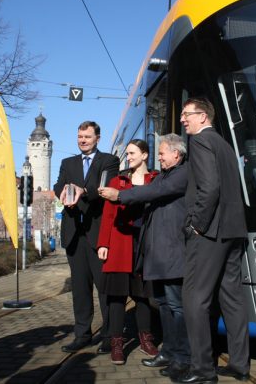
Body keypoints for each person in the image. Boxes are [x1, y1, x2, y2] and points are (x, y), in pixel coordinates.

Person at [99, 133, 190, 379]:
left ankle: (175, 352)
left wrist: (119, 196)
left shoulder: (172, 176)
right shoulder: (158, 176)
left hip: (164, 249)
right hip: (145, 249)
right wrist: (103, 243)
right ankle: (168, 351)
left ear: (176, 154)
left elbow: (149, 194)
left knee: (168, 303)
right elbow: (109, 215)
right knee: (162, 302)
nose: (160, 157)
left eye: (162, 153)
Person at [177, 97, 250, 383]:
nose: (183, 119)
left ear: (203, 117)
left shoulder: (201, 142)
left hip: (210, 232)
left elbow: (209, 188)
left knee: (194, 298)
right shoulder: (224, 144)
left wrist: (197, 225)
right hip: (233, 231)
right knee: (232, 299)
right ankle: (240, 365)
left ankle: (203, 370)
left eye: (187, 114)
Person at [53, 121, 119, 354]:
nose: (82, 140)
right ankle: (82, 334)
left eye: (87, 137)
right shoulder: (67, 163)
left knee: (104, 288)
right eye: (79, 136)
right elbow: (59, 184)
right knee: (80, 289)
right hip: (74, 234)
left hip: (98, 234)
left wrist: (84, 191)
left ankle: (110, 335)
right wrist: (61, 191)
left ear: (97, 138)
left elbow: (104, 188)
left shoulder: (109, 161)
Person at [96, 139, 159, 365]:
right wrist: (103, 244)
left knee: (143, 296)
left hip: (145, 245)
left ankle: (145, 339)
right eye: (127, 153)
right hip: (120, 244)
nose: (128, 157)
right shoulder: (118, 181)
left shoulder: (156, 180)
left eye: (132, 153)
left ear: (144, 155)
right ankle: (116, 343)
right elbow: (108, 216)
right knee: (116, 296)